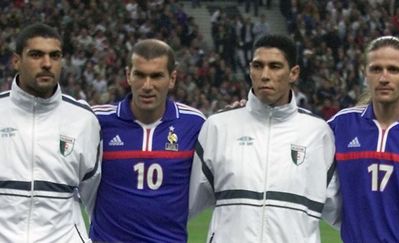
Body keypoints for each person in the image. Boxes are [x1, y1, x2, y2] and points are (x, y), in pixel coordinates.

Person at [189, 34, 340, 242]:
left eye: (275, 66)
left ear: (293, 73)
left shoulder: (318, 133)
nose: (265, 75)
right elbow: (185, 204)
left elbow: (342, 213)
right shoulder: (218, 127)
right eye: (258, 66)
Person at [90, 39, 206, 242]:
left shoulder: (195, 124)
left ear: (172, 78)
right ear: (128, 75)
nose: (147, 86)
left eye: (156, 76)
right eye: (140, 75)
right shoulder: (97, 121)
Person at [0, 23, 101, 242]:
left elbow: (96, 199)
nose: (47, 64)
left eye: (54, 56)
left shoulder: (84, 120)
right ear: (16, 61)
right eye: (36, 55)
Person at [328, 36, 399, 241]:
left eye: (394, 70)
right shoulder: (341, 125)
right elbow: (294, 140)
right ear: (365, 74)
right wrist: (248, 116)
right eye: (376, 69)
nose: (384, 78)